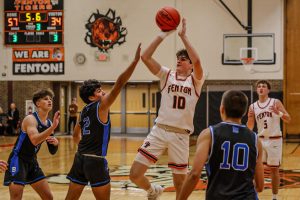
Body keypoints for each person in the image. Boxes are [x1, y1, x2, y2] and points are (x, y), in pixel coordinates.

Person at [129, 18, 205, 199]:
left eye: (184, 59)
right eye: (178, 59)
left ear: (190, 65)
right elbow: (145, 57)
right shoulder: (166, 75)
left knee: (180, 182)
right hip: (159, 131)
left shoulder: (196, 81)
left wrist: (183, 37)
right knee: (134, 174)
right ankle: (152, 190)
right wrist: (163, 33)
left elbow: (199, 62)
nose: (179, 61)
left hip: (180, 135)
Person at [65, 43, 141, 200]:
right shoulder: (101, 105)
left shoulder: (83, 111)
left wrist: (83, 149)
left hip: (80, 158)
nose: (104, 92)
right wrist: (134, 62)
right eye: (99, 91)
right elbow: (119, 84)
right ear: (92, 97)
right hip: (96, 161)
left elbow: (74, 136)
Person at [178, 90, 264, 200]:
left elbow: (194, 174)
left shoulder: (209, 134)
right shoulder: (256, 140)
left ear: (222, 109)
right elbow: (260, 186)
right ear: (244, 112)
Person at [3, 89, 60, 200]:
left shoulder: (48, 123)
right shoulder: (30, 119)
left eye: (51, 99)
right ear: (38, 103)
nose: (50, 101)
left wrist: (56, 144)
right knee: (16, 197)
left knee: (48, 197)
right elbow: (35, 140)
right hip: (18, 159)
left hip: (32, 161)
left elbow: (52, 151)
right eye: (46, 99)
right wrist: (53, 128)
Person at [247, 80, 291, 200]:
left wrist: (279, 113)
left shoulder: (275, 102)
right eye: (259, 86)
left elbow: (288, 119)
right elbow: (250, 125)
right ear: (257, 90)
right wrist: (245, 133)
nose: (261, 88)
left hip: (274, 140)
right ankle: (254, 194)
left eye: (264, 86)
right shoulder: (253, 106)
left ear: (268, 90)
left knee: (274, 169)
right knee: (256, 167)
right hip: (260, 140)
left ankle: (274, 197)